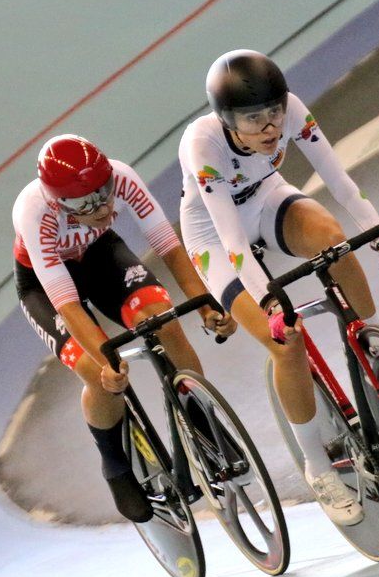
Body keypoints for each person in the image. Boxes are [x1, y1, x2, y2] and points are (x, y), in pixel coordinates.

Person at [178, 49, 379, 526]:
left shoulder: (291, 109)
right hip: (214, 234)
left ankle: (377, 353)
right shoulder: (202, 144)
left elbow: (342, 184)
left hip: (269, 198)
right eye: (253, 120)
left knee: (334, 241)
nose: (270, 127)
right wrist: (272, 302)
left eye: (273, 112)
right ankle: (317, 466)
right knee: (286, 341)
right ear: (226, 120)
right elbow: (233, 242)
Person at [13, 134, 235, 523]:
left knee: (163, 321)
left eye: (105, 192)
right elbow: (65, 299)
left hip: (100, 256)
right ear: (57, 201)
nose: (101, 207)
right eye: (84, 203)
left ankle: (201, 420)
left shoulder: (122, 175)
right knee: (99, 375)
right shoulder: (34, 212)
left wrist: (205, 304)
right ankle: (115, 466)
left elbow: (167, 244)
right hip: (45, 285)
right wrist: (107, 360)